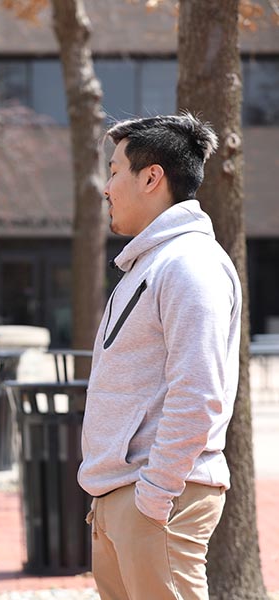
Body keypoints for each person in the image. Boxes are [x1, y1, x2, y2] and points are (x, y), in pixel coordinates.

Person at [78, 114, 242, 599]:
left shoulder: (190, 263)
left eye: (114, 171)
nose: (106, 187)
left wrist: (153, 494)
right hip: (124, 497)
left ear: (151, 177)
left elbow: (200, 392)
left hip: (157, 499)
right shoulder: (150, 261)